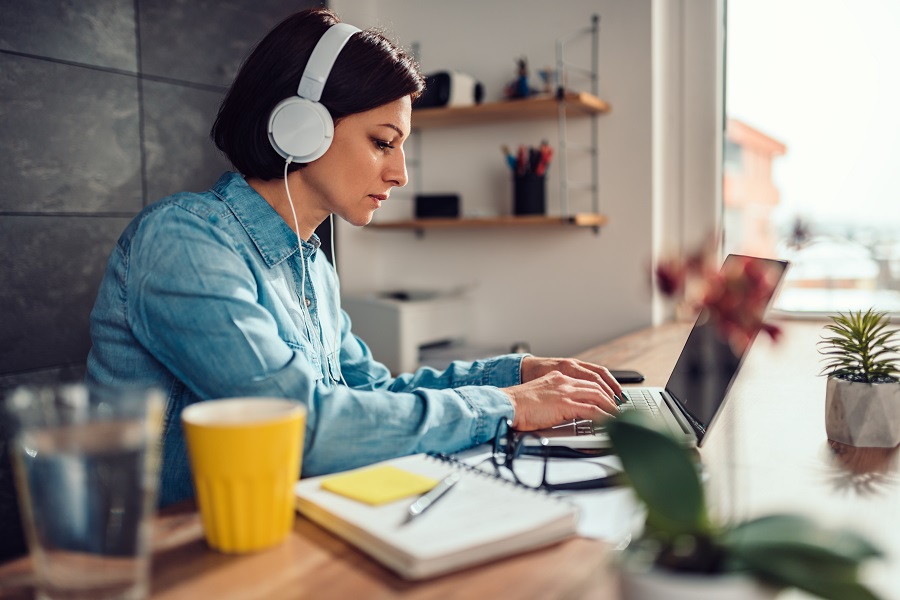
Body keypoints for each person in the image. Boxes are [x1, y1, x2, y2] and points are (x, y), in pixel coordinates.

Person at [86, 8, 622, 508]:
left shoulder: (313, 264)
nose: (400, 174)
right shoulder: (184, 242)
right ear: (301, 125)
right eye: (383, 142)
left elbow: (371, 395)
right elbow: (305, 427)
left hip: (283, 537)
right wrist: (509, 406)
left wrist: (517, 374)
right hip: (168, 561)